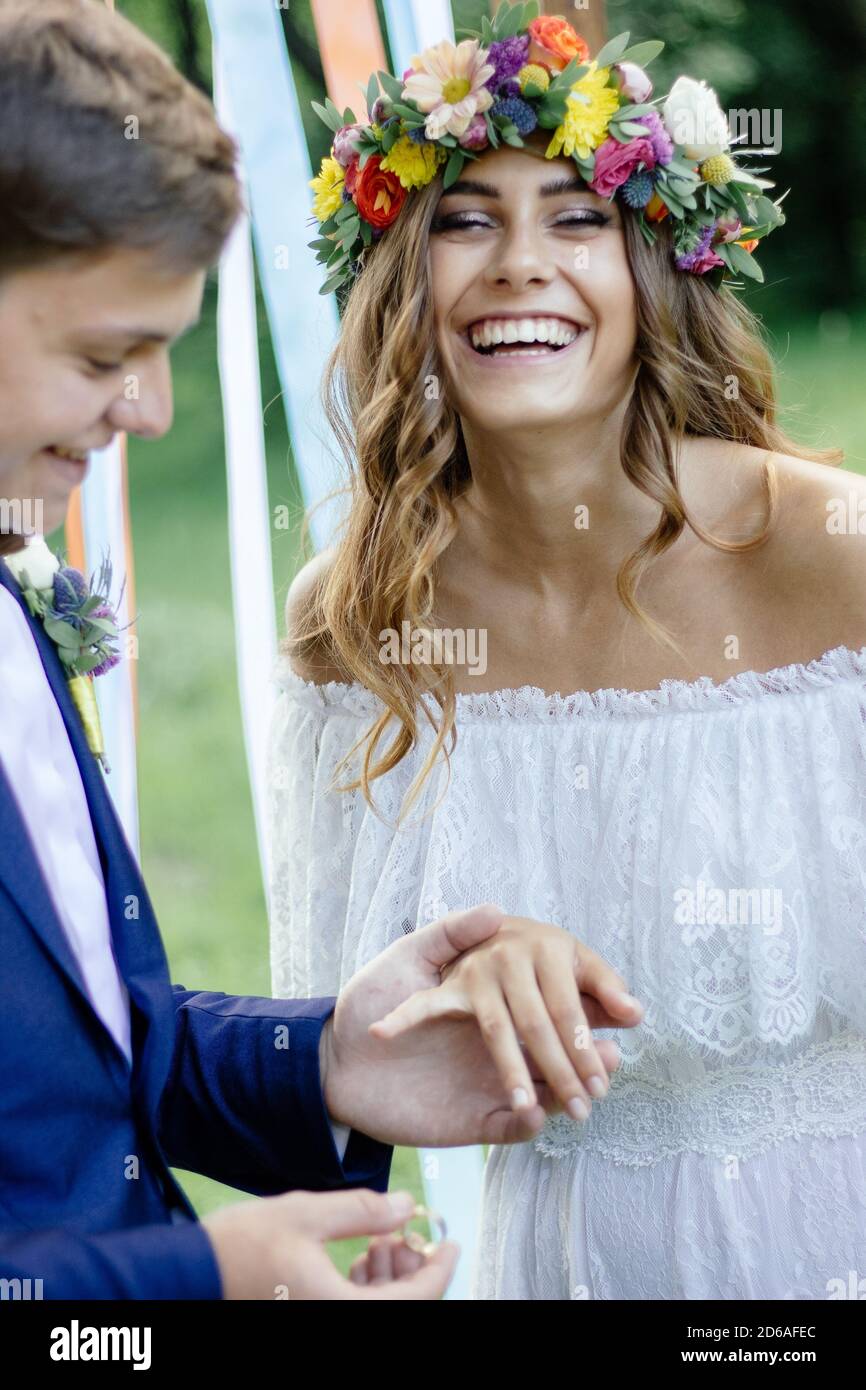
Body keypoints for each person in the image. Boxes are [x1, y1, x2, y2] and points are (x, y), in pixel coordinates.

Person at [0, 0, 634, 1301]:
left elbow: (89, 1050)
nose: (154, 410)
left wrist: (337, 1056)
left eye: (165, 352)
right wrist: (193, 1286)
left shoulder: (17, 589)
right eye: (104, 354)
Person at [270, 4, 866, 1299]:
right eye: (465, 219)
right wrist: (456, 983)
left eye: (575, 217)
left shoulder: (834, 553)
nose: (515, 264)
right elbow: (323, 1040)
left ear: (655, 271)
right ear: (398, 280)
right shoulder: (354, 619)